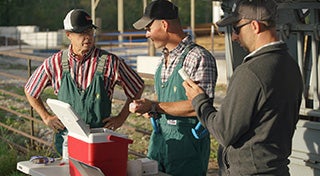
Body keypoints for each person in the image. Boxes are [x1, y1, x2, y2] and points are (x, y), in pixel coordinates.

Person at [182, 0, 303, 175]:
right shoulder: (290, 65)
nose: (234, 37)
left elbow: (224, 132)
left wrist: (199, 101)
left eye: (236, 29)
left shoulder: (251, 71)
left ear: (255, 26)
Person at [24, 9, 144, 155]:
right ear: (68, 35)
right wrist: (46, 117)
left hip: (99, 142)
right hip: (66, 142)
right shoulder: (55, 63)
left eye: (90, 31)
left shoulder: (110, 62)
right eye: (81, 33)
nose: (87, 37)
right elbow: (30, 90)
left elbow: (137, 86)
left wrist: (120, 118)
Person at [130, 0, 217, 175]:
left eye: (148, 28)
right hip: (160, 143)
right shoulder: (163, 61)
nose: (147, 34)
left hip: (187, 149)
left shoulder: (198, 58)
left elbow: (199, 107)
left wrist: (155, 106)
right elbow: (166, 103)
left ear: (164, 24)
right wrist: (150, 110)